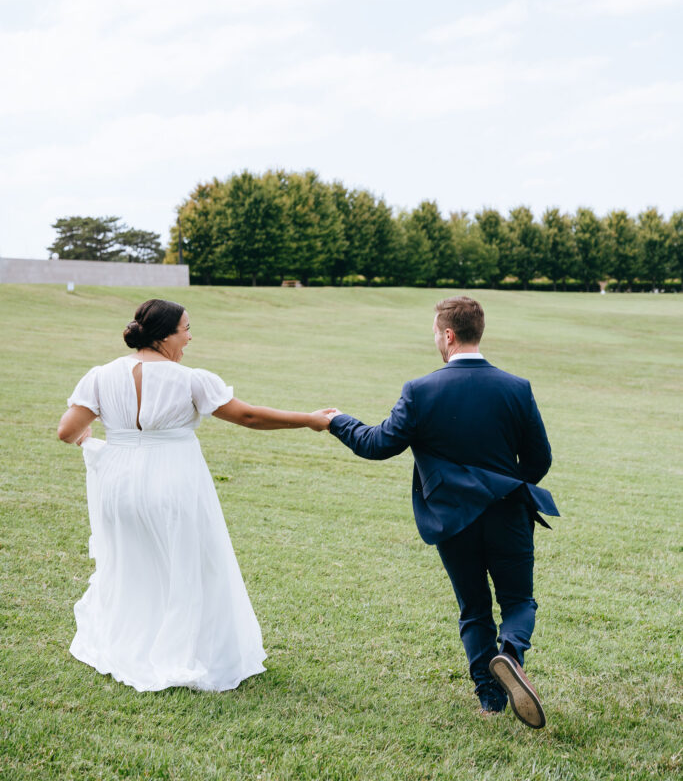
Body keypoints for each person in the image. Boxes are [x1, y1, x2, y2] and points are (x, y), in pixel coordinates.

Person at [58, 298, 332, 693]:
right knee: (192, 566)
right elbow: (248, 416)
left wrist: (91, 437)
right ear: (166, 335)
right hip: (172, 481)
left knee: (132, 565)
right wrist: (310, 420)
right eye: (186, 329)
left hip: (117, 487)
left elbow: (67, 431)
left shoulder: (100, 376)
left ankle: (130, 645)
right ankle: (183, 653)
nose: (190, 337)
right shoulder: (190, 380)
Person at [326, 296, 558, 727]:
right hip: (508, 512)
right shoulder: (516, 387)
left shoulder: (420, 390)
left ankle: (490, 698)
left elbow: (377, 444)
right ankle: (510, 653)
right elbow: (540, 460)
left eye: (435, 332)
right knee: (519, 601)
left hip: (452, 518)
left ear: (448, 335)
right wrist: (503, 485)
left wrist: (338, 420)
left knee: (473, 607)